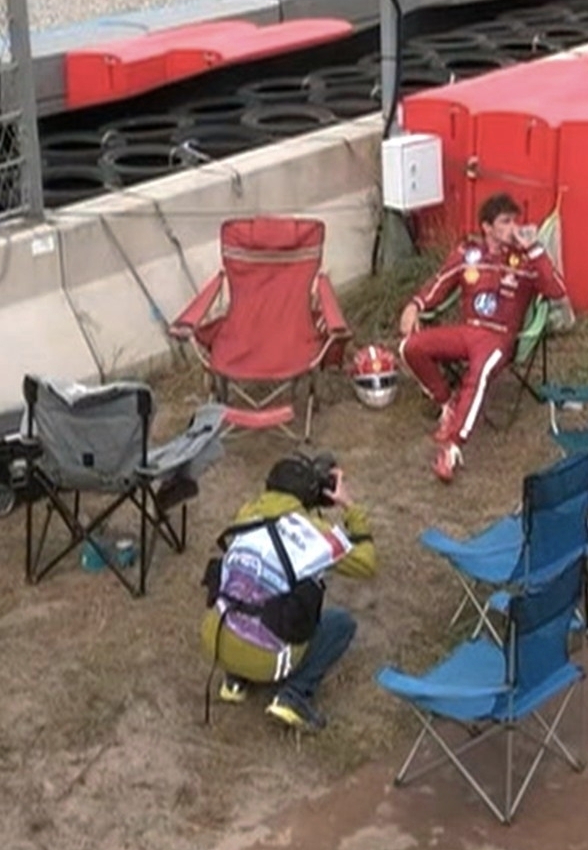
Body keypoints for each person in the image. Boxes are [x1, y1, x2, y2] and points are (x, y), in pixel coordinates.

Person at [398, 191, 568, 482]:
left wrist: (534, 249)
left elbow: (557, 291)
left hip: (499, 337)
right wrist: (415, 305)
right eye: (505, 221)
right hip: (468, 329)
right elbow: (439, 282)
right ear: (487, 227)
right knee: (410, 347)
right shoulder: (468, 254)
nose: (513, 227)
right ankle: (446, 404)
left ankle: (453, 447)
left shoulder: (526, 259)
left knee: (479, 373)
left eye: (515, 220)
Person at [200, 452, 376, 733]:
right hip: (266, 660)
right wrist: (349, 505)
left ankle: (235, 680)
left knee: (249, 585)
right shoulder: (313, 533)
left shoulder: (247, 514)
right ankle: (293, 695)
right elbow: (367, 563)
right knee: (340, 624)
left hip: (216, 642)